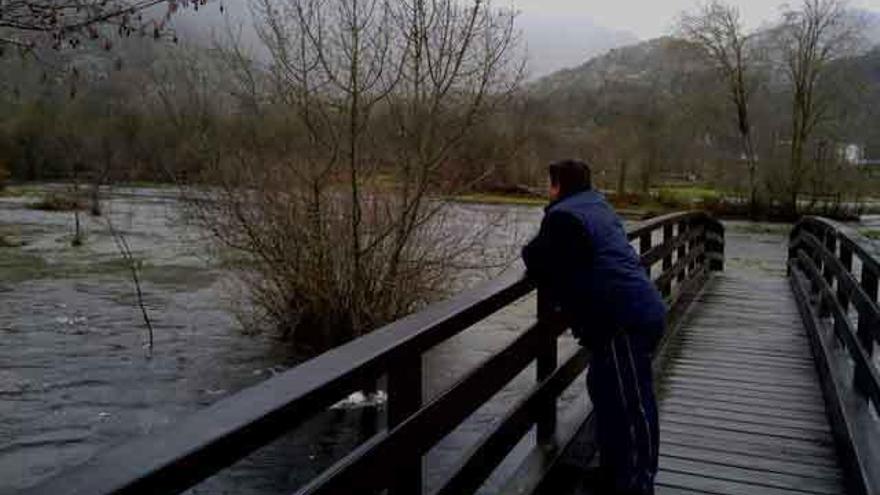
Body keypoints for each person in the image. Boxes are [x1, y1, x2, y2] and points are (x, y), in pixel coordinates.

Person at [522, 159, 666, 495]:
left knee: (631, 405)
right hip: (634, 312)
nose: (548, 190)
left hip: (622, 321)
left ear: (557, 185)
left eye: (550, 183)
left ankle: (636, 484)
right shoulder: (597, 206)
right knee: (606, 393)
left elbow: (536, 256)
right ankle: (613, 474)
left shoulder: (565, 217)